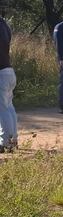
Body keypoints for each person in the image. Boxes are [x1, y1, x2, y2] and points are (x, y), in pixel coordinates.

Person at [0, 15, 18, 153]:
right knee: (9, 106)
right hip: (9, 70)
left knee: (2, 109)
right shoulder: (4, 24)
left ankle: (6, 142)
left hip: (1, 72)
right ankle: (13, 140)